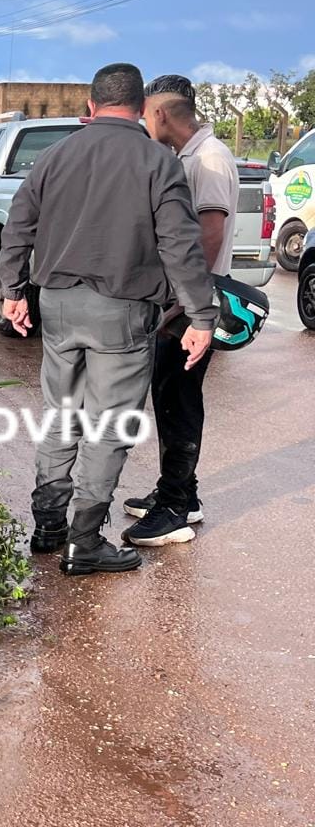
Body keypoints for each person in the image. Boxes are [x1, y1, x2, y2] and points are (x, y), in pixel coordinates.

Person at [0, 63, 217, 576]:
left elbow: (18, 227)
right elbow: (181, 246)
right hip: (122, 311)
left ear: (90, 107)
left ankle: (48, 524)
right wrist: (202, 316)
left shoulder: (54, 156)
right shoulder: (158, 162)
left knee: (61, 412)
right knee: (109, 426)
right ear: (141, 109)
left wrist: (12, 290)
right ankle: (85, 541)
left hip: (58, 306)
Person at [120, 75, 239, 548]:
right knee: (170, 395)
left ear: (161, 113)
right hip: (183, 303)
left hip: (191, 306)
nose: (145, 121)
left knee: (179, 399)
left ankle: (174, 511)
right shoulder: (187, 155)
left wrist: (188, 307)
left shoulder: (208, 160)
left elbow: (209, 234)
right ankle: (180, 495)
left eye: (147, 113)